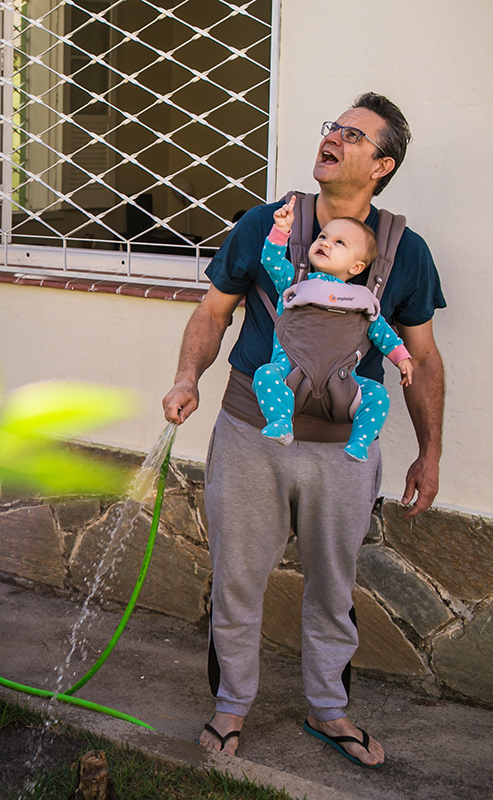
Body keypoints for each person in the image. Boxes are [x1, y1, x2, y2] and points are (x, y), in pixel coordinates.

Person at [161, 93, 446, 768]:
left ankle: (328, 709)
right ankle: (231, 706)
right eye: (333, 128)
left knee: (332, 584)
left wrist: (431, 453)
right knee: (237, 578)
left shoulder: (405, 252)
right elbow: (212, 312)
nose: (334, 138)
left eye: (353, 135)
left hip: (343, 453)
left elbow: (422, 358)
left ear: (382, 164)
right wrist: (186, 378)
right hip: (249, 432)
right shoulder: (268, 224)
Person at [253, 197, 414, 462]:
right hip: (291, 372)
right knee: (265, 375)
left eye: (339, 242)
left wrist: (402, 358)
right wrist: (281, 230)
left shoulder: (362, 299)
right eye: (323, 236)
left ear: (356, 267)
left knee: (378, 396)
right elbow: (271, 261)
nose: (326, 243)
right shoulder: (294, 282)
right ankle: (281, 422)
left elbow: (381, 331)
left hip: (341, 382)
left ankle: (358, 443)